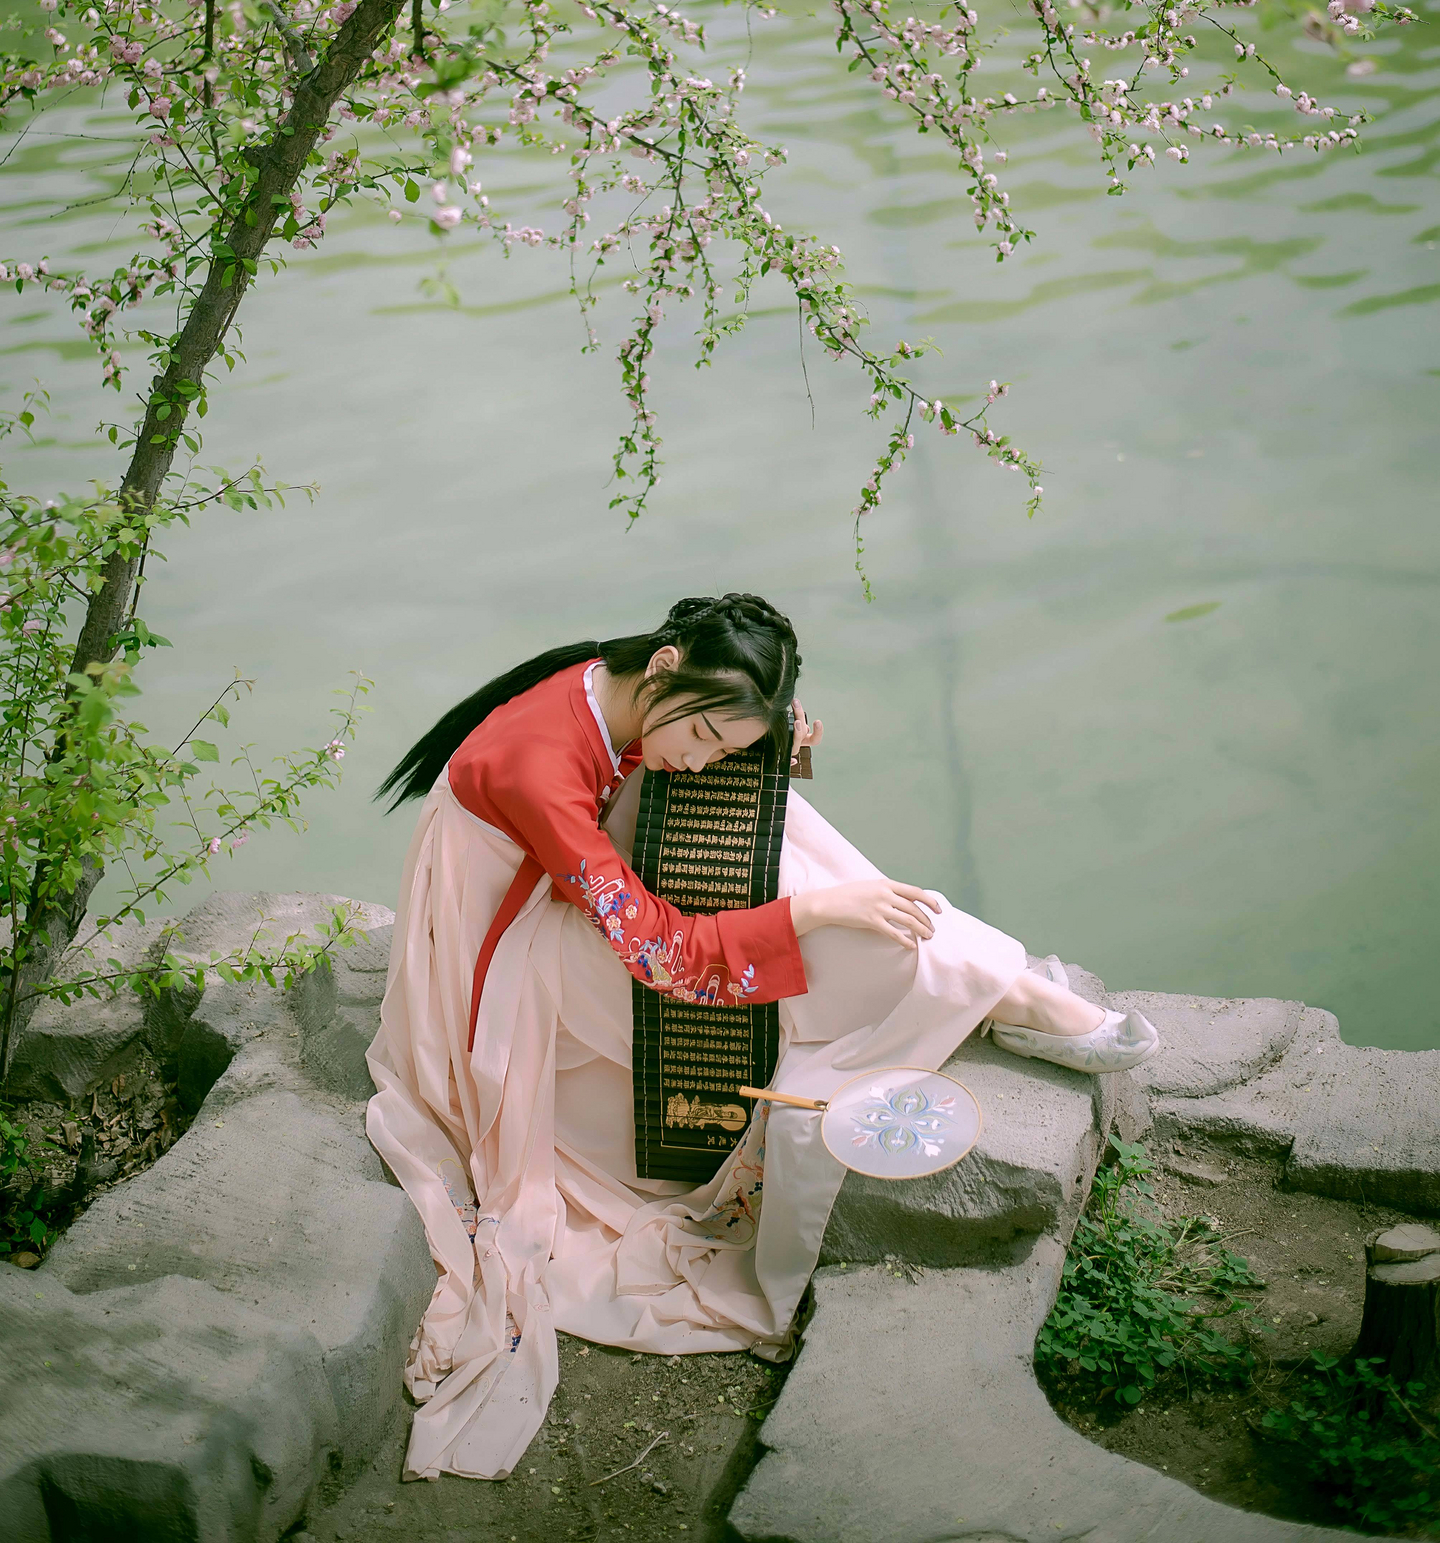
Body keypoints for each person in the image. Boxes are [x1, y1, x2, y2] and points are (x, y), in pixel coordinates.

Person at [365, 592, 1158, 1483]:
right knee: (804, 896)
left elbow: (638, 766)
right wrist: (814, 912)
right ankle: (990, 988)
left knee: (781, 835)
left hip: (552, 876)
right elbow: (664, 957)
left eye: (722, 743)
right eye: (707, 736)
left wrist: (773, 747)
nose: (705, 756)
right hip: (501, 952)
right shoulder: (541, 762)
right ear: (666, 669)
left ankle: (977, 980)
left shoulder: (616, 681)